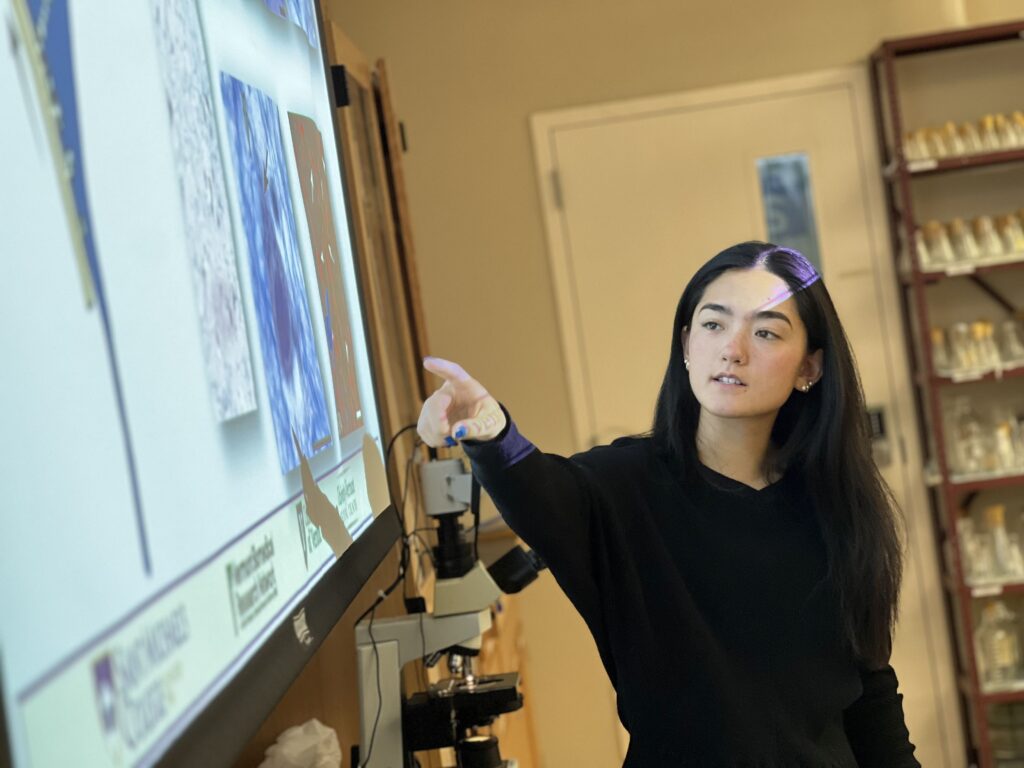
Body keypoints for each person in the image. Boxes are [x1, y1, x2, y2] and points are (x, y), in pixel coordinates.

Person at [416, 241, 920, 766]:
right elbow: (541, 494)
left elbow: (871, 698)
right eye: (713, 324)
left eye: (766, 332)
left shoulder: (837, 510)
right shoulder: (623, 486)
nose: (733, 349)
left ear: (810, 368)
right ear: (685, 344)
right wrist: (491, 431)